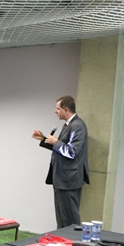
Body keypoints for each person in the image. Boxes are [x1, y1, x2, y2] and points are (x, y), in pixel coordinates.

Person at [32, 95, 90, 228]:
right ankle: (62, 239)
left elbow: (71, 152)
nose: (55, 111)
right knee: (62, 217)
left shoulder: (78, 126)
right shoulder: (68, 125)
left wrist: (56, 142)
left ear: (66, 109)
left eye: (57, 108)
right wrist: (44, 139)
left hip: (69, 180)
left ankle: (72, 240)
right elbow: (61, 148)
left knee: (69, 218)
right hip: (61, 179)